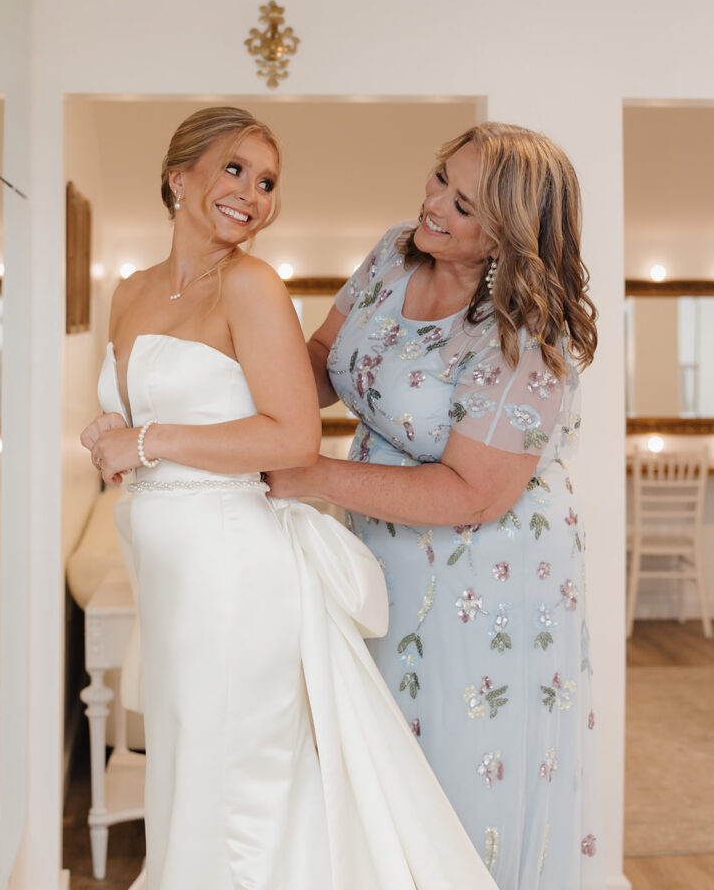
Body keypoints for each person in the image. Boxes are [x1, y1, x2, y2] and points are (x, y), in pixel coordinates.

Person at [80, 106, 498, 890]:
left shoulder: (253, 285)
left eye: (267, 181)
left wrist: (147, 441)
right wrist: (115, 431)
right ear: (179, 178)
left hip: (234, 572)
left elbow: (289, 438)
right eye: (234, 169)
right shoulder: (129, 292)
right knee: (187, 768)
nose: (253, 194)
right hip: (167, 572)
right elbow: (165, 415)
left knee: (238, 783)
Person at [268, 122, 606, 889]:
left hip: (485, 583)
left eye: (464, 205)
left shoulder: (527, 333)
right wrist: (245, 409)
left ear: (508, 238)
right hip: (377, 554)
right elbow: (323, 360)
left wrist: (307, 472)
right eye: (438, 179)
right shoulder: (393, 251)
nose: (433, 206)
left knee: (452, 773)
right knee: (375, 759)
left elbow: (473, 492)